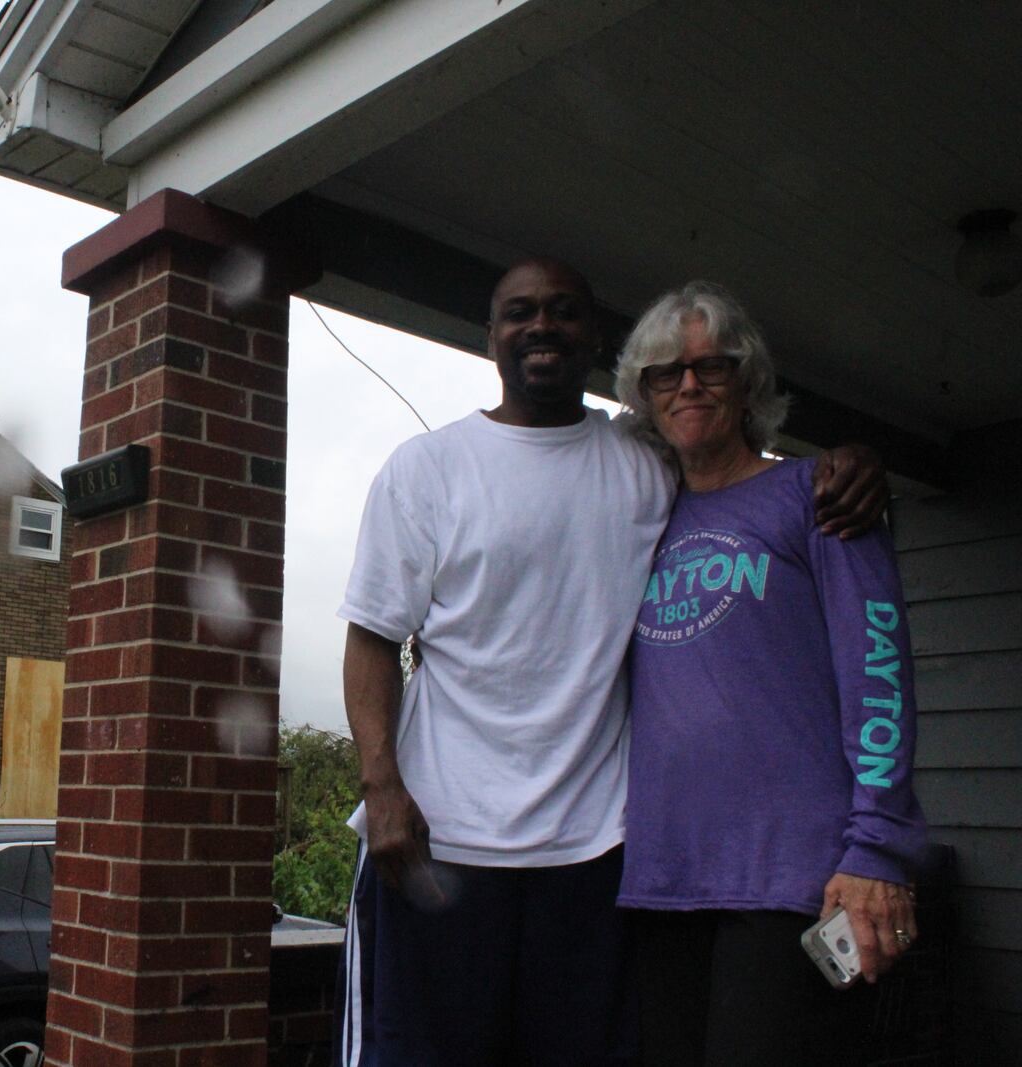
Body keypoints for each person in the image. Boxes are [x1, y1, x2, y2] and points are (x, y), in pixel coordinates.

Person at [336, 258, 886, 1067]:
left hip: (595, 861)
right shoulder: (428, 469)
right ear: (491, 336)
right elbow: (372, 638)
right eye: (519, 312)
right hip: (440, 845)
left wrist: (850, 461)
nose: (541, 327)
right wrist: (381, 786)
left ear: (595, 337)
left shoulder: (643, 463)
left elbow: (735, 467)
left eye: (563, 311)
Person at [613, 281, 924, 1067]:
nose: (688, 385)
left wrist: (877, 851)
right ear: (643, 396)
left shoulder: (816, 496)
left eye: (710, 367)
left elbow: (879, 673)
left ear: (747, 380)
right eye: (665, 373)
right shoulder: (642, 520)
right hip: (661, 880)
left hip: (795, 879)